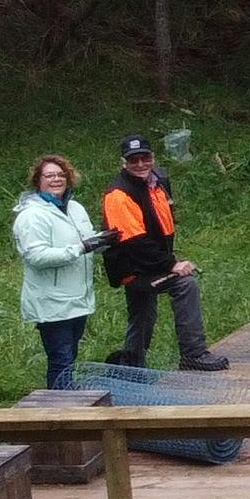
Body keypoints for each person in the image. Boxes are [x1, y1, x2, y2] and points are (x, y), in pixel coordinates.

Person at [99, 136, 228, 372]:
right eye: (133, 160)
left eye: (144, 158)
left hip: (150, 262)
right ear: (123, 162)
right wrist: (171, 264)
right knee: (184, 284)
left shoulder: (157, 182)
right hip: (134, 267)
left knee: (142, 314)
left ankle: (131, 365)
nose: (140, 164)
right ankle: (193, 353)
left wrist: (165, 261)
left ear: (153, 158)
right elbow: (134, 243)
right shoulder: (119, 195)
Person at [14, 153, 100, 392]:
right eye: (49, 175)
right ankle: (58, 411)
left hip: (78, 297)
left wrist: (103, 241)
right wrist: (79, 249)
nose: (56, 179)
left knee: (70, 356)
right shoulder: (31, 215)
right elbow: (36, 256)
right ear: (38, 181)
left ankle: (68, 401)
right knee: (60, 360)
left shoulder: (75, 208)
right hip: (51, 303)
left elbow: (88, 239)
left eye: (61, 174)